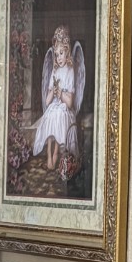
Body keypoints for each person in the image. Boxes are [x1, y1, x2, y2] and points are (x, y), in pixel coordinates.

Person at [31, 24, 85, 173]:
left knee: (58, 115)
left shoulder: (70, 71)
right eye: (56, 54)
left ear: (67, 51)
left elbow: (70, 103)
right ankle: (49, 153)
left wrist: (60, 93)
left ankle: (56, 153)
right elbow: (47, 102)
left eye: (61, 53)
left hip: (64, 108)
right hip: (54, 105)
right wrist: (53, 92)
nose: (58, 57)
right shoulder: (54, 71)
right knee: (49, 115)